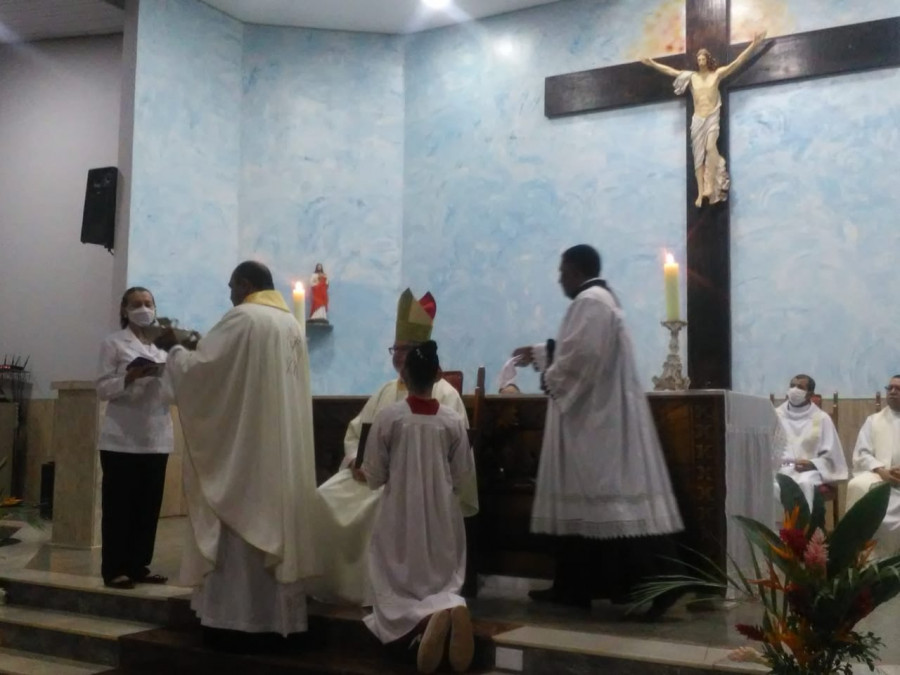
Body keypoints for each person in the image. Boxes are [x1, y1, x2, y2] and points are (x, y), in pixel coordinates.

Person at [511, 244, 684, 616]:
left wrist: (551, 374)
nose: (559, 279)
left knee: (611, 505)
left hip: (598, 424)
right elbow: (579, 348)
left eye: (562, 271)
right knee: (586, 506)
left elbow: (583, 357)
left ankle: (662, 585)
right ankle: (573, 587)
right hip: (595, 418)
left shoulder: (590, 302)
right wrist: (545, 352)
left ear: (576, 270)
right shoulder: (600, 301)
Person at [158, 261, 320, 651]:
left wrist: (174, 350)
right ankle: (275, 621)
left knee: (238, 532)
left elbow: (203, 374)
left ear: (245, 284)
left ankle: (235, 623)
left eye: (232, 286)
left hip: (247, 454)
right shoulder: (290, 325)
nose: (230, 294)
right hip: (277, 452)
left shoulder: (243, 319)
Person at [312, 289, 475, 606]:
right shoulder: (386, 392)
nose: (397, 355)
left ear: (419, 355)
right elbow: (357, 433)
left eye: (404, 349)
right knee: (323, 497)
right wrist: (354, 462)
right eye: (395, 348)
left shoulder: (447, 397)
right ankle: (335, 583)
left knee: (376, 509)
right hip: (372, 479)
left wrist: (378, 472)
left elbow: (457, 462)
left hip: (414, 489)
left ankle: (374, 588)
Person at [362, 340, 475, 674]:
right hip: (442, 514)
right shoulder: (452, 421)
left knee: (394, 584)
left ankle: (419, 624)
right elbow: (463, 474)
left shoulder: (389, 417)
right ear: (437, 375)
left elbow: (374, 474)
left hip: (399, 511)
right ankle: (446, 607)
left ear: (406, 375)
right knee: (442, 575)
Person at [95, 286, 172, 590]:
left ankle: (139, 564)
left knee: (148, 507)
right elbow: (102, 388)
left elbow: (175, 386)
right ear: (125, 310)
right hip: (121, 439)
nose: (144, 309)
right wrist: (129, 377)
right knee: (119, 507)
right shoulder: (113, 343)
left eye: (148, 303)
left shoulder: (163, 346)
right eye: (137, 304)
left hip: (156, 437)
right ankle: (115, 568)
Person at [642, 31, 766, 207]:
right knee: (698, 157)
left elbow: (737, 63)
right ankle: (701, 193)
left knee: (710, 147)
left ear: (708, 60)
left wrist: (753, 45)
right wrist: (652, 63)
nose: (700, 61)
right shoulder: (691, 77)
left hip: (712, 117)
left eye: (703, 58)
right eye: (698, 59)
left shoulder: (717, 74)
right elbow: (671, 71)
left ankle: (712, 178)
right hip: (698, 119)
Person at [774, 374, 848, 510]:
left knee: (805, 483)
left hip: (808, 471)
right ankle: (778, 524)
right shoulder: (776, 416)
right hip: (781, 468)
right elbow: (767, 448)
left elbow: (832, 456)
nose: (794, 390)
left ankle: (804, 524)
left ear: (810, 394)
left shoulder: (822, 418)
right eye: (792, 386)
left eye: (800, 387)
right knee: (774, 485)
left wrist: (813, 464)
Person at [847, 375, 900, 557]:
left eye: (898, 389)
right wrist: (881, 470)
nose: (892, 392)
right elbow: (862, 453)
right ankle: (866, 559)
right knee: (857, 485)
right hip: (881, 477)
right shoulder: (874, 420)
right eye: (890, 388)